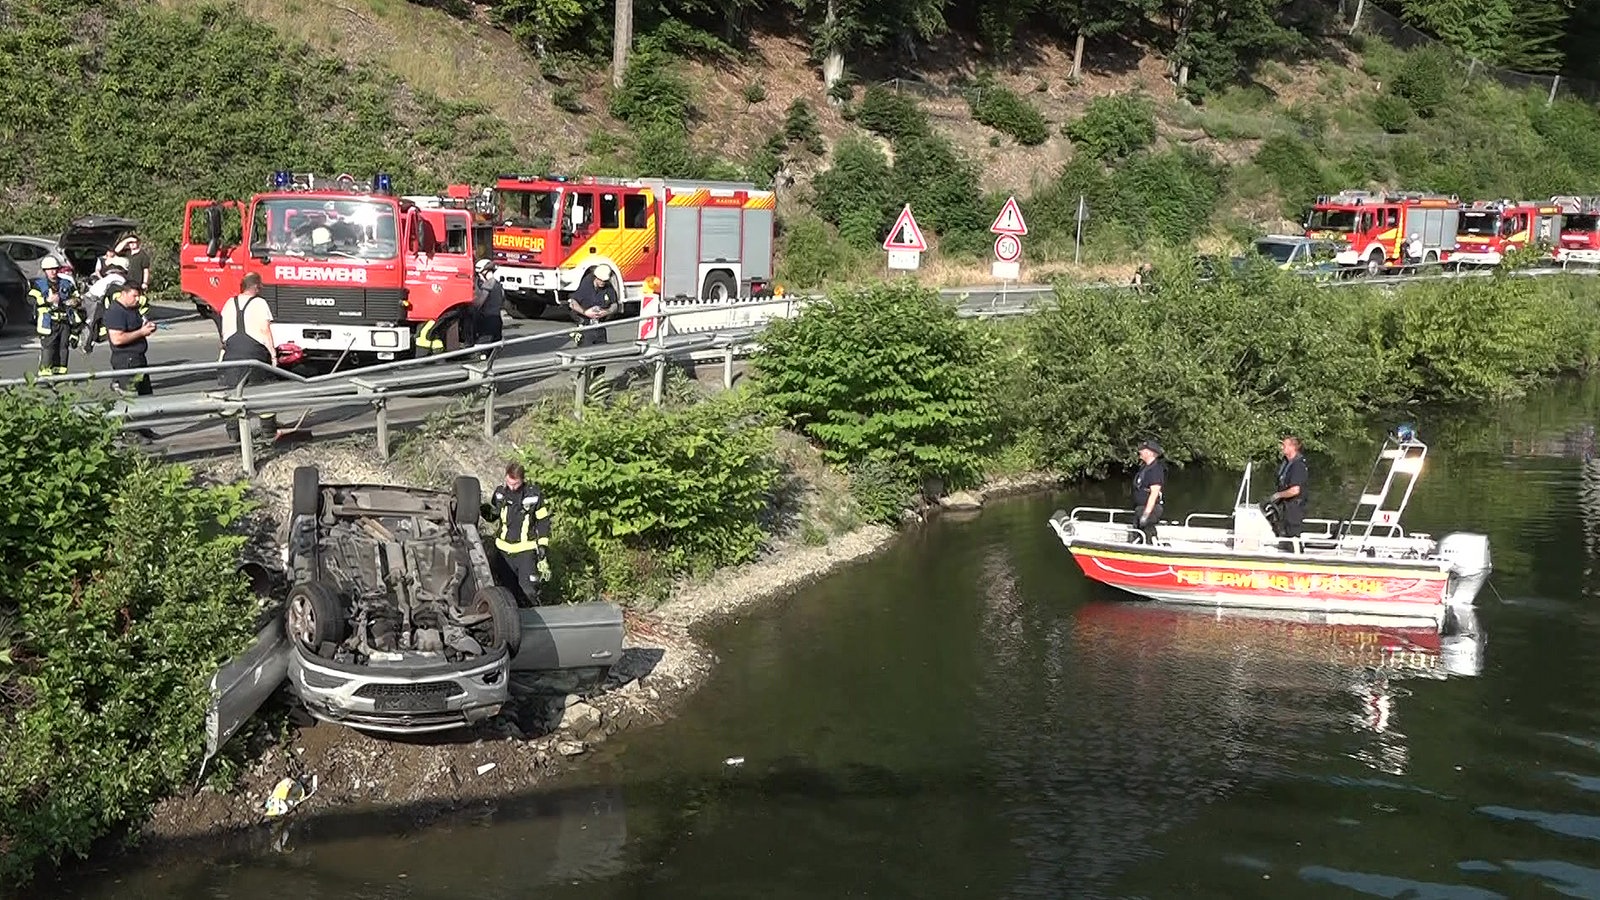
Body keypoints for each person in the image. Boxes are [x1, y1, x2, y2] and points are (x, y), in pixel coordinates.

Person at [216, 273, 280, 442]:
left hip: (231, 354)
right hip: (254, 353)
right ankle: (268, 432)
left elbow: (224, 333)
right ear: (256, 287)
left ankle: (233, 433)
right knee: (263, 393)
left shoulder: (230, 303)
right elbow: (265, 330)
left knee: (231, 395)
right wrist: (273, 354)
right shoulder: (260, 303)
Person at [484, 462, 552, 607]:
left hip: (525, 551)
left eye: (515, 484)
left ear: (522, 480)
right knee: (506, 594)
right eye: (509, 482)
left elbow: (543, 521)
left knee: (529, 591)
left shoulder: (534, 495)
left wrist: (543, 545)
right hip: (503, 552)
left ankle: (533, 621)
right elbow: (494, 515)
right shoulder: (500, 493)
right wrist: (483, 511)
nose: (512, 487)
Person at [104, 284, 157, 397]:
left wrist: (147, 326)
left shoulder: (132, 308)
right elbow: (117, 339)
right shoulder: (115, 312)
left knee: (147, 399)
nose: (137, 299)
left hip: (139, 359)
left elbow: (136, 325)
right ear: (124, 294)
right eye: (134, 296)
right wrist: (141, 332)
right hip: (127, 361)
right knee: (130, 399)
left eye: (139, 296)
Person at [29, 256, 79, 376]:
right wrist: (47, 300)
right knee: (48, 347)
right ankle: (45, 374)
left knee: (63, 348)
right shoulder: (38, 285)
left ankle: (61, 374)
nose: (53, 272)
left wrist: (74, 301)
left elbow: (77, 297)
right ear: (44, 270)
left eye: (55, 269)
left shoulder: (66, 283)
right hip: (48, 322)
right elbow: (31, 300)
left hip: (64, 321)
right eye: (50, 269)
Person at [1266, 435, 1310, 551]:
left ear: (1292, 447)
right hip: (1286, 507)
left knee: (1293, 535)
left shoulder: (1298, 466)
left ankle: (1296, 557)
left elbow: (1295, 490)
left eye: (1284, 445)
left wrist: (1278, 495)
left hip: (1294, 507)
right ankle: (1285, 549)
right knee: (1283, 532)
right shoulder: (1287, 463)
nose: (1282, 448)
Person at [80, 256, 130, 353]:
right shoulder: (119, 280)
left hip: (90, 298)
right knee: (93, 322)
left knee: (92, 322)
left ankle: (88, 341)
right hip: (95, 300)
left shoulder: (110, 277)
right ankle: (88, 343)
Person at [567, 267, 620, 347]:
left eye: (605, 281)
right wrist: (586, 312)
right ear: (595, 277)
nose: (603, 283)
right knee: (586, 350)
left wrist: (607, 311)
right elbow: (572, 303)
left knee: (602, 349)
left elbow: (615, 305)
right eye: (601, 280)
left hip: (599, 325)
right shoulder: (585, 285)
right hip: (585, 325)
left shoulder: (608, 286)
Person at [1131, 439, 1166, 544]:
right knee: (1137, 533)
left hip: (1150, 508)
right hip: (1140, 507)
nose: (1140, 452)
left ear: (1150, 453)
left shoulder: (1155, 470)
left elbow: (1154, 493)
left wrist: (1146, 514)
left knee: (1148, 533)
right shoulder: (1144, 468)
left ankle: (1152, 548)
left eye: (1142, 450)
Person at [472, 258, 505, 347]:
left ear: (485, 271)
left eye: (479, 273)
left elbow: (479, 303)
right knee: (494, 348)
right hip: (497, 320)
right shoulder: (498, 284)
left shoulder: (489, 285)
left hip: (487, 320)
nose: (479, 276)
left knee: (481, 349)